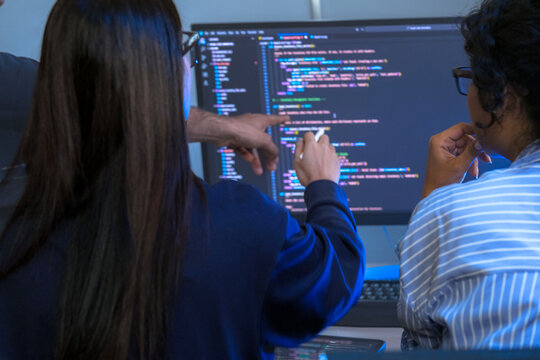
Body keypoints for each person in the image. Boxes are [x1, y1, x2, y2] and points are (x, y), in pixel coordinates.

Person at [0, 1, 365, 359]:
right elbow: (337, 280)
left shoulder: (17, 241)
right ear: (170, 75)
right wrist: (324, 187)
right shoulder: (239, 225)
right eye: (184, 48)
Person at [398, 0, 540, 350]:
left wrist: (434, 197)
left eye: (473, 78)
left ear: (503, 94)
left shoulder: (447, 214)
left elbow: (421, 345)